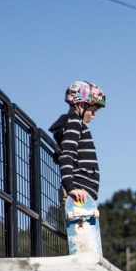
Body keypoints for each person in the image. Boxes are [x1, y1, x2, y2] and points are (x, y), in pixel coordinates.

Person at [49, 79, 106, 221]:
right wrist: (70, 188)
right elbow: (67, 155)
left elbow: (65, 152)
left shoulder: (73, 125)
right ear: (81, 105)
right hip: (78, 193)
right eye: (92, 111)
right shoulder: (74, 123)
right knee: (82, 243)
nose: (93, 116)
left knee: (84, 242)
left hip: (83, 195)